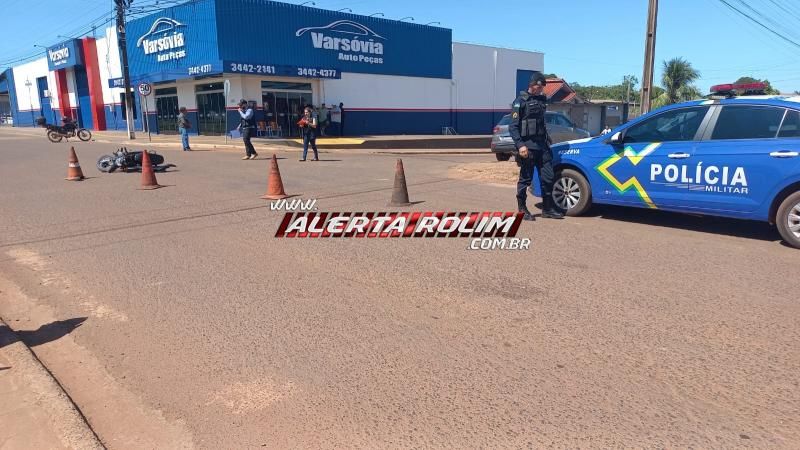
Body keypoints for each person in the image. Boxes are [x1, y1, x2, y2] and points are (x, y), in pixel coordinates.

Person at [508, 72, 564, 221]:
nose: (541, 90)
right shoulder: (520, 101)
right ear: (531, 85)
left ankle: (547, 209)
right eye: (538, 87)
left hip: (542, 146)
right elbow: (513, 127)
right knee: (525, 179)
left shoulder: (541, 100)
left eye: (542, 88)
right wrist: (520, 145)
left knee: (548, 177)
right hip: (528, 147)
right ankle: (522, 209)